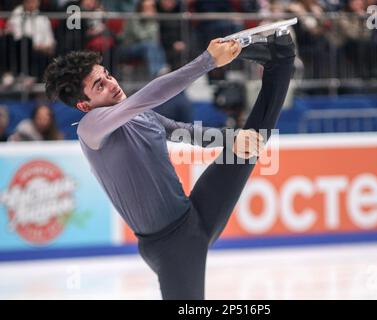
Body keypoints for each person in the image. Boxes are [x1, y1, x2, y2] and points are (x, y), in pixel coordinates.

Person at [43, 29, 296, 299]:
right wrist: (207, 61)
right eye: (99, 86)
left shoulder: (142, 117)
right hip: (171, 244)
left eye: (107, 74)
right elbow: (148, 96)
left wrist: (232, 138)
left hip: (193, 215)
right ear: (84, 105)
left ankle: (280, 60)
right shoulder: (90, 128)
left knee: (250, 143)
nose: (112, 83)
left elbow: (184, 132)